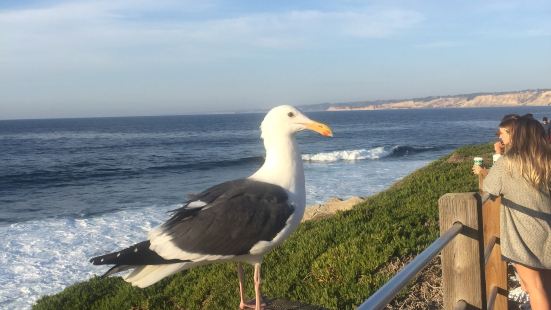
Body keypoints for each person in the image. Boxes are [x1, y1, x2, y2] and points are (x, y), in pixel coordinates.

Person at [473, 114, 551, 310]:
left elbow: (490, 187)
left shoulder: (508, 162)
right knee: (544, 287)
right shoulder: (547, 159)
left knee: (535, 288)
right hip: (547, 230)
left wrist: (498, 157)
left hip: (525, 235)